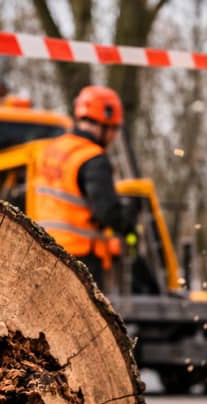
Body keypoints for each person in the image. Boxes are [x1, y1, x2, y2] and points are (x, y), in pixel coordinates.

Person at [33, 85, 135, 288]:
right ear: (104, 124)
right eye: (114, 129)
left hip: (42, 250)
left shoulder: (50, 150)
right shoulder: (92, 158)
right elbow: (107, 211)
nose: (114, 136)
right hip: (80, 259)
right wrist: (128, 221)